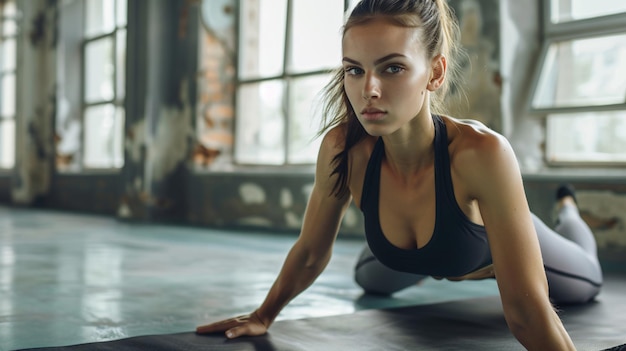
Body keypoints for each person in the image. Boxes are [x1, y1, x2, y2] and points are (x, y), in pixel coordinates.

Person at [196, 0, 603, 349]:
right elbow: (310, 252)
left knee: (588, 279)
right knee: (368, 279)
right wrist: (263, 315)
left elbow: (525, 313)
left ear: (435, 73)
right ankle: (421, 254)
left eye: (391, 68)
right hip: (408, 255)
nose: (368, 89)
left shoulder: (483, 154)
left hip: (495, 250)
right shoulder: (344, 151)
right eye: (354, 70)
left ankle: (568, 211)